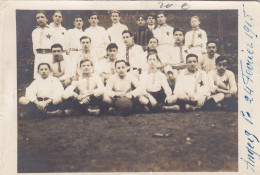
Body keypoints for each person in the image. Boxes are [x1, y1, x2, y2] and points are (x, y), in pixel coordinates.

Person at [32, 10, 54, 79]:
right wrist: (37, 55)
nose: (40, 19)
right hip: (39, 55)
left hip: (49, 55)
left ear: (46, 19)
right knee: (38, 75)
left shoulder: (52, 30)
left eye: (42, 17)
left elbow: (55, 44)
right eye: (38, 18)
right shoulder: (34, 31)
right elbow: (34, 46)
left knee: (50, 74)